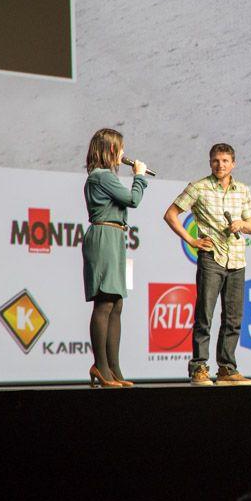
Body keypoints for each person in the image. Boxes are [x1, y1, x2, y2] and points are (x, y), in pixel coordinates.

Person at [164, 143, 251, 385]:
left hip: (237, 258)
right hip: (211, 257)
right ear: (210, 162)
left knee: (234, 317)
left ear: (233, 163)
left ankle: (227, 369)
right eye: (216, 160)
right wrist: (191, 239)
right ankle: (199, 368)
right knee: (205, 314)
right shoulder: (199, 187)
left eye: (225, 161)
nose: (220, 165)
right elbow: (170, 214)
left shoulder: (243, 190)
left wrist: (240, 224)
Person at [82, 128, 147, 388]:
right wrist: (139, 177)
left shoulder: (106, 177)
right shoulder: (101, 177)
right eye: (120, 149)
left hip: (115, 238)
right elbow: (133, 199)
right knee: (104, 303)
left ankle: (114, 367)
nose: (123, 154)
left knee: (116, 303)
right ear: (109, 150)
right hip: (103, 238)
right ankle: (101, 365)